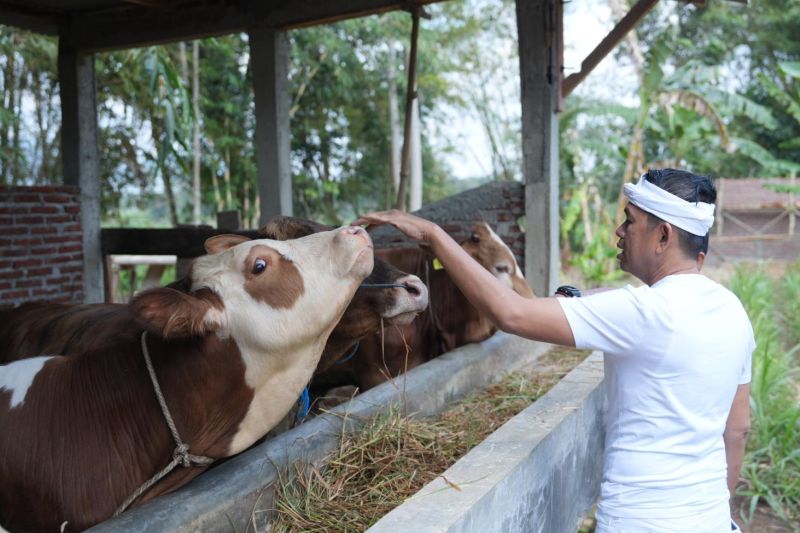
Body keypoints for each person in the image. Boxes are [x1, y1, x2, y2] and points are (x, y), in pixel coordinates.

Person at [352, 168, 753, 533]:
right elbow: (737, 430)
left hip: (640, 522)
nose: (619, 231)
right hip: (712, 520)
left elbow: (512, 313)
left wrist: (433, 237)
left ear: (663, 235)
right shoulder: (733, 314)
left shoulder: (642, 312)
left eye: (630, 221)